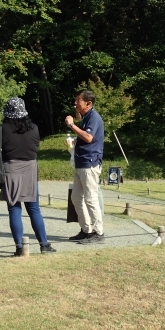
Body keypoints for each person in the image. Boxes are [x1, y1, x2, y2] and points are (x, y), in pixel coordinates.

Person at [0, 97, 56, 256]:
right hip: (30, 169)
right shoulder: (34, 128)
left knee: (14, 209)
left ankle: (20, 247)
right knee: (34, 209)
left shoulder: (2, 129)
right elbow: (35, 148)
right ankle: (44, 244)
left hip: (10, 169)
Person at [64, 89, 105, 243]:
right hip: (81, 162)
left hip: (90, 163)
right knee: (76, 197)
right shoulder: (86, 117)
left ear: (88, 103)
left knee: (90, 197)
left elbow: (88, 137)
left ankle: (98, 232)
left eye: (78, 100)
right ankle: (86, 229)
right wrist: (74, 141)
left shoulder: (94, 117)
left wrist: (72, 125)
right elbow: (85, 137)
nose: (75, 103)